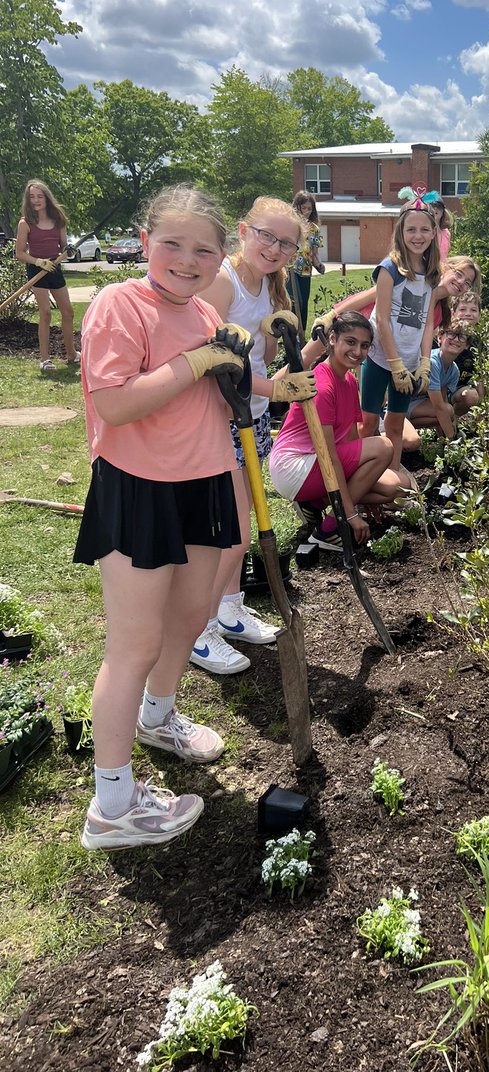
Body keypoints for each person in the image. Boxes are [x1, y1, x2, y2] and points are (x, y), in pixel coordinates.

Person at [73, 184, 261, 851]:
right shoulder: (120, 305)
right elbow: (118, 404)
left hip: (205, 485)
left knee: (189, 619)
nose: (187, 258)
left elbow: (217, 391)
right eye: (173, 244)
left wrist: (248, 372)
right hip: (140, 488)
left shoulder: (204, 317)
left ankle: (159, 717)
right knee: (136, 644)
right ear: (145, 240)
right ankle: (113, 806)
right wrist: (193, 362)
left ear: (220, 257)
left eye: (203, 249)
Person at [191, 197, 316, 676]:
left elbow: (258, 355)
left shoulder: (266, 283)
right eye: (267, 235)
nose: (275, 247)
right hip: (222, 418)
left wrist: (273, 329)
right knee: (231, 531)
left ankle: (229, 608)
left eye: (286, 242)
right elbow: (211, 365)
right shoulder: (223, 281)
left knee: (242, 524)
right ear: (243, 231)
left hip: (254, 417)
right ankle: (199, 631)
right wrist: (275, 387)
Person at [269, 312, 406, 549]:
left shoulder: (349, 380)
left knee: (394, 486)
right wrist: (351, 513)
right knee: (384, 446)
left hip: (315, 464)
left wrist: (364, 484)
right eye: (350, 342)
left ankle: (314, 503)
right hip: (295, 467)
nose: (357, 351)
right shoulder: (322, 384)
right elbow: (329, 455)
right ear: (332, 339)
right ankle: (329, 530)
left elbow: (351, 438)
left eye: (364, 346)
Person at [358, 198, 442, 470]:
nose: (418, 236)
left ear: (433, 232)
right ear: (400, 232)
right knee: (369, 421)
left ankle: (392, 473)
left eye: (424, 230)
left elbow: (427, 322)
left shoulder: (431, 274)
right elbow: (381, 319)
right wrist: (394, 365)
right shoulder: (389, 269)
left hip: (409, 362)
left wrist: (425, 361)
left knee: (395, 421)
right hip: (383, 358)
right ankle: (362, 471)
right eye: (411, 230)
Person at [308, 253, 480, 363]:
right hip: (351, 320)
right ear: (446, 267)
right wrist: (332, 315)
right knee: (305, 358)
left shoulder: (439, 314)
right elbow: (369, 295)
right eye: (458, 273)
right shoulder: (416, 282)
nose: (460, 283)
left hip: (371, 347)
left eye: (467, 283)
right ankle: (281, 401)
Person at [15, 179, 80, 371]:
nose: (36, 200)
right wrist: (38, 261)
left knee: (68, 312)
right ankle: (44, 359)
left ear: (46, 198)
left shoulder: (58, 219)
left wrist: (69, 252)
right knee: (45, 313)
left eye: (39, 196)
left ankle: (71, 354)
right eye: (32, 197)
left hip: (54, 268)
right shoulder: (25, 223)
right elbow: (19, 253)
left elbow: (63, 247)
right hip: (37, 269)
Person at [403, 324, 472, 451]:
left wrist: (444, 440)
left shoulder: (453, 370)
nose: (456, 339)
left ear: (467, 345)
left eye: (461, 337)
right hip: (402, 404)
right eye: (451, 334)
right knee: (447, 411)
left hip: (419, 405)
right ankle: (402, 428)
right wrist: (452, 440)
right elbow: (439, 407)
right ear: (439, 338)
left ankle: (438, 440)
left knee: (448, 411)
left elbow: (443, 401)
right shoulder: (432, 362)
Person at [287, 191, 324, 334]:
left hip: (306, 271)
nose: (307, 212)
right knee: (296, 303)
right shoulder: (291, 225)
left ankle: (301, 337)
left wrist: (319, 265)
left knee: (303, 307)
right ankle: (291, 334)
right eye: (304, 208)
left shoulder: (314, 228)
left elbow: (314, 253)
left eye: (310, 209)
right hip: (291, 269)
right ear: (297, 207)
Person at [447, 290, 483, 416]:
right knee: (471, 395)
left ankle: (480, 428)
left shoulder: (481, 342)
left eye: (473, 310)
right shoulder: (446, 337)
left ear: (479, 315)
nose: (468, 314)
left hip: (467, 386)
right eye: (463, 309)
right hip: (443, 390)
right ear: (453, 313)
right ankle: (451, 424)